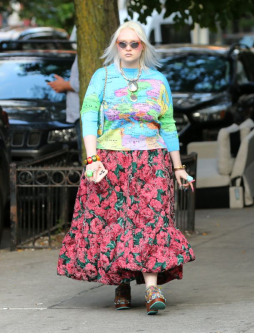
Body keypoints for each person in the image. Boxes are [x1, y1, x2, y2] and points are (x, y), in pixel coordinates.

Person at [57, 21, 195, 315]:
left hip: (152, 161)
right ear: (115, 46)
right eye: (123, 44)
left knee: (152, 222)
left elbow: (168, 124)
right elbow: (89, 115)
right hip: (111, 161)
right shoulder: (103, 77)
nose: (129, 49)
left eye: (135, 44)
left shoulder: (158, 80)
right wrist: (92, 160)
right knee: (117, 222)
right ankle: (121, 284)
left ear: (143, 46)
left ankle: (151, 289)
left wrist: (178, 167)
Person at [47, 56, 82, 152]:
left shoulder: (89, 49)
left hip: (84, 114)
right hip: (79, 114)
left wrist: (64, 85)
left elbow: (87, 80)